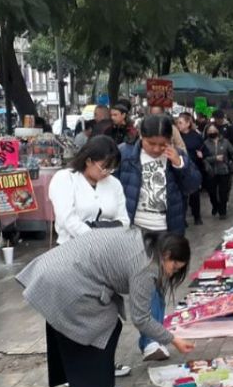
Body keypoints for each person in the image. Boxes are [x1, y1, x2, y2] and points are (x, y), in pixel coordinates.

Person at [17, 230, 196, 387]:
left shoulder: (141, 240)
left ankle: (81, 383)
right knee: (100, 324)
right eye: (174, 267)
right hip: (67, 279)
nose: (171, 273)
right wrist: (173, 339)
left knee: (83, 326)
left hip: (56, 268)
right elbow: (142, 319)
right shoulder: (147, 266)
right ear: (166, 255)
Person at [116, 115, 201, 361]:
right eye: (151, 143)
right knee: (144, 284)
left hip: (167, 230)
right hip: (137, 232)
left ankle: (152, 340)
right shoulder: (126, 156)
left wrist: (179, 165)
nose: (155, 149)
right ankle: (152, 340)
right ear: (141, 137)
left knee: (159, 285)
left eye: (161, 144)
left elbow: (193, 185)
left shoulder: (176, 156)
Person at [49, 136, 129, 243]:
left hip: (108, 247)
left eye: (111, 168)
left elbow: (124, 221)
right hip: (72, 246)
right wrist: (97, 236)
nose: (107, 172)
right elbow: (67, 219)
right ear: (88, 161)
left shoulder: (114, 183)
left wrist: (98, 230)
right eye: (104, 167)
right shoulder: (65, 178)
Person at [203, 123, 233, 219]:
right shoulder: (205, 144)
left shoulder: (225, 142)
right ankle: (215, 205)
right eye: (210, 131)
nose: (212, 132)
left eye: (213, 130)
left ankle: (222, 211)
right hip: (211, 172)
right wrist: (215, 158)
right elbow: (203, 158)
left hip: (224, 170)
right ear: (207, 132)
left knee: (223, 192)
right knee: (212, 193)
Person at [175, 113, 206, 226]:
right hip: (180, 167)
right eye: (177, 123)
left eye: (181, 122)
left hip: (193, 167)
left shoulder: (196, 135)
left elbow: (203, 148)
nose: (178, 125)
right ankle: (182, 219)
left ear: (188, 123)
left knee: (194, 194)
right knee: (182, 196)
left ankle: (197, 216)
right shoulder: (176, 136)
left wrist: (201, 153)